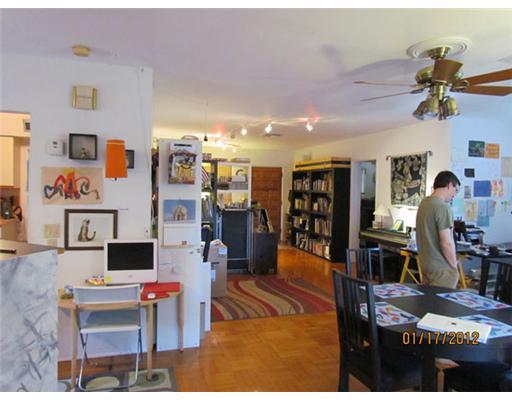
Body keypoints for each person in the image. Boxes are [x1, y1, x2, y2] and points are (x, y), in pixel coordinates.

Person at [416, 170, 461, 288]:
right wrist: (454, 266)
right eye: (456, 190)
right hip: (442, 269)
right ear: (450, 185)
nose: (454, 194)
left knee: (428, 299)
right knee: (442, 300)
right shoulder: (442, 207)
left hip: (426, 266)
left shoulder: (424, 204)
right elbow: (446, 242)